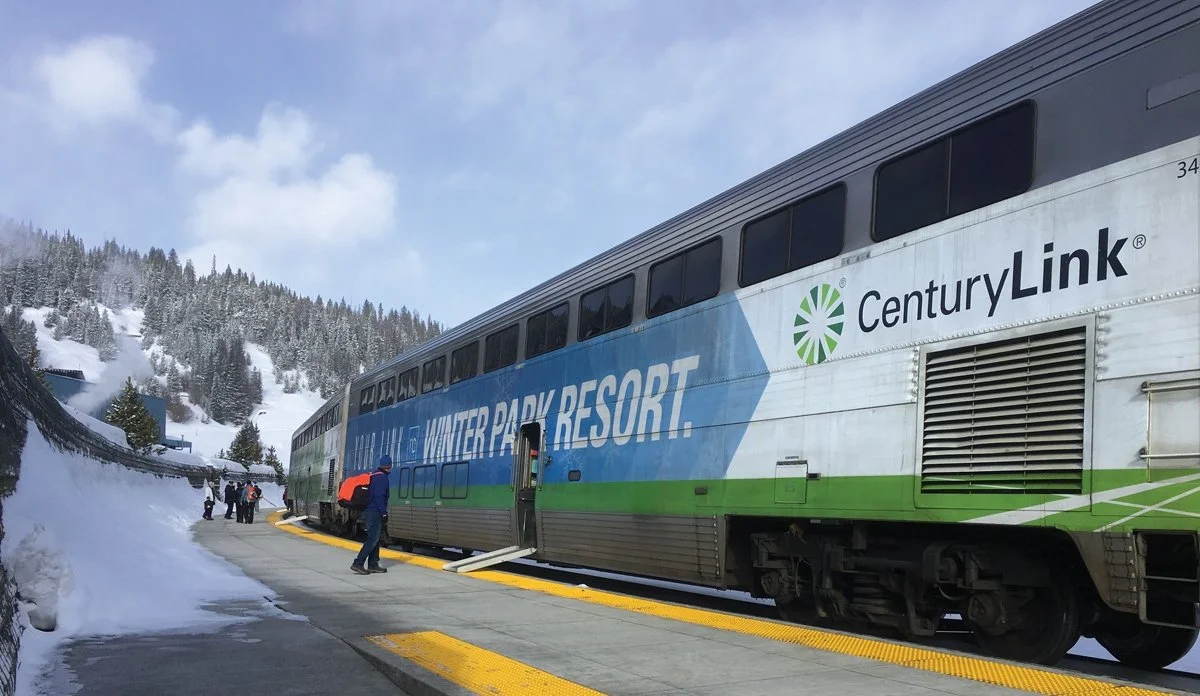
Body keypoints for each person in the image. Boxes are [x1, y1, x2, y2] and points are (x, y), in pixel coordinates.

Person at [351, 454, 392, 575]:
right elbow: (380, 497)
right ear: (389, 467)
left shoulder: (374, 475)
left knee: (376, 537)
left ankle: (373, 564)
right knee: (372, 538)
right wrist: (384, 514)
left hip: (369, 511)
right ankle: (358, 563)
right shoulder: (382, 478)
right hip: (374, 512)